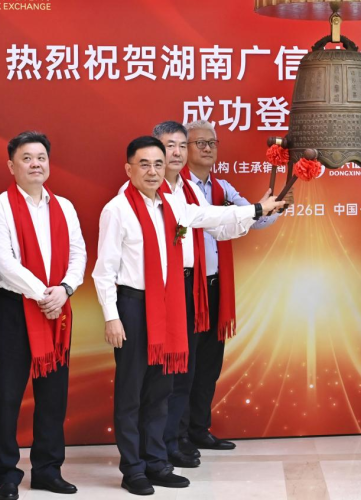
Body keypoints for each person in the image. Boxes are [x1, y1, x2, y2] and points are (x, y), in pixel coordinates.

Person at [92, 136, 283, 496]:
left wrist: (257, 210)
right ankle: (133, 469)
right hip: (133, 306)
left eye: (158, 164)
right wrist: (111, 316)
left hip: (169, 304)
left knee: (161, 389)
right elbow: (104, 271)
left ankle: (156, 462)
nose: (152, 171)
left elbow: (210, 215)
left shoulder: (172, 204)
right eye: (144, 164)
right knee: (132, 392)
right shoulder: (117, 210)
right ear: (128, 169)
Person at [131, 121, 265, 468]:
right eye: (171, 146)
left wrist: (260, 211)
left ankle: (182, 436)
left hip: (199, 286)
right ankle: (162, 446)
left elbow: (217, 223)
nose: (177, 153)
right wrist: (255, 211)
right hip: (166, 290)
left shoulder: (191, 190)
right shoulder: (146, 194)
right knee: (170, 373)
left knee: (194, 369)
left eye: (181, 146)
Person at [0, 131, 86, 500]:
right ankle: (5, 475)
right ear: (11, 166)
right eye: (26, 158)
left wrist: (65, 289)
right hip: (13, 310)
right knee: (8, 396)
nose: (35, 164)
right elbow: (4, 263)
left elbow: (78, 253)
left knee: (53, 397)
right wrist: (46, 294)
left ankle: (47, 470)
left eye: (41, 157)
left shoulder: (65, 207)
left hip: (56, 309)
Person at [181, 119, 293, 454]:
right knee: (185, 366)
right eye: (200, 143)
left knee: (209, 364)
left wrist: (276, 205)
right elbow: (214, 218)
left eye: (212, 143)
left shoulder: (223, 187)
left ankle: (199, 429)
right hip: (187, 287)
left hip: (215, 286)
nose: (207, 148)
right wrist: (257, 209)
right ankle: (177, 436)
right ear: (183, 149)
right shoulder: (175, 188)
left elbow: (254, 218)